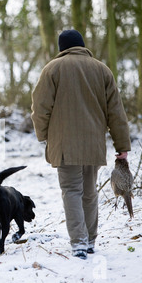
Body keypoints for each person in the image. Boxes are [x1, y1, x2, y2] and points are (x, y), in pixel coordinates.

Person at [31, 30, 131, 260]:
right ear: (82, 45)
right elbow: (116, 111)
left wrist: (44, 135)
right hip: (94, 143)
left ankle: (78, 242)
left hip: (65, 144)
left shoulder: (52, 69)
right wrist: (121, 144)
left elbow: (40, 108)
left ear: (62, 48)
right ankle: (91, 240)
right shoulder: (102, 69)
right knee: (89, 192)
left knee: (71, 191)